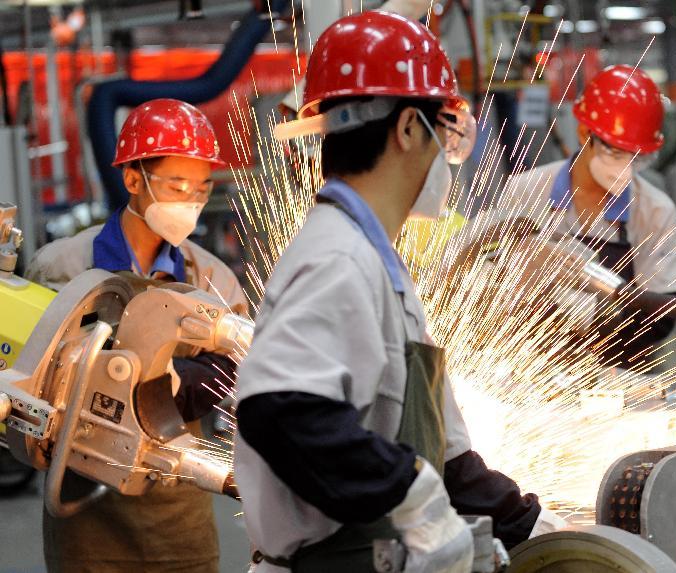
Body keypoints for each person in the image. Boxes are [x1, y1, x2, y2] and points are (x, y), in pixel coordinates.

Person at [234, 11, 565, 573]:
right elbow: (279, 409)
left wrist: (533, 526)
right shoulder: (338, 258)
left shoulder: (377, 260)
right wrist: (412, 498)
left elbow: (448, 462)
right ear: (409, 128)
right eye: (445, 134)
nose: (446, 160)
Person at [26, 98, 248, 573]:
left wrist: (171, 386)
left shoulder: (210, 279)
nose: (191, 200)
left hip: (176, 511)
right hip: (85, 513)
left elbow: (234, 369)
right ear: (133, 179)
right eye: (178, 185)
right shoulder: (63, 265)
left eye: (202, 188)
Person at [455, 65, 676, 360]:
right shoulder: (526, 190)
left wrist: (593, 313)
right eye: (615, 152)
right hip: (525, 370)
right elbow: (485, 277)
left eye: (636, 158)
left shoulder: (655, 211)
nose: (625, 168)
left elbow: (661, 320)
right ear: (583, 132)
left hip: (619, 376)